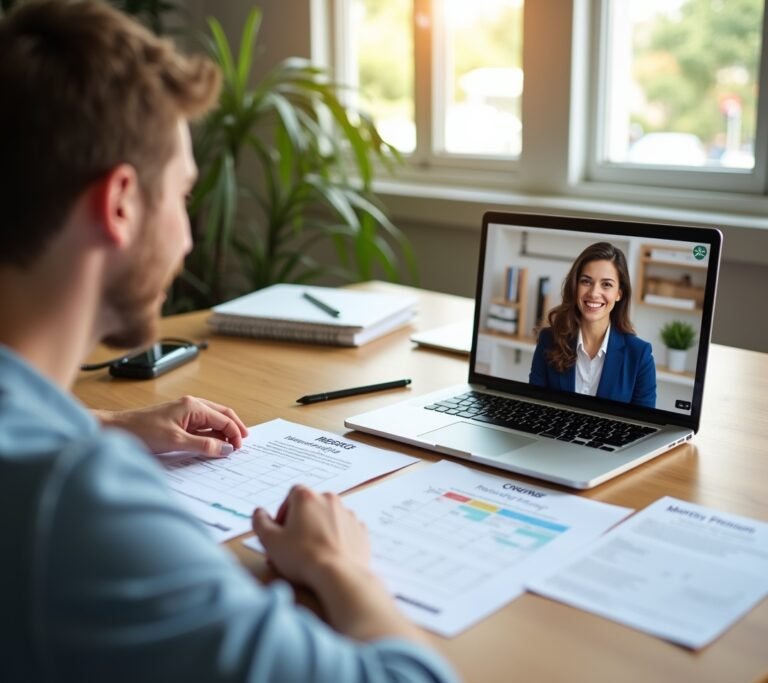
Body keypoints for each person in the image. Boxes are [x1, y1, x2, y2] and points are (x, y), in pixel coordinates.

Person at [0, 3, 457, 682]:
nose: (187, 236)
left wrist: (114, 423)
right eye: (184, 194)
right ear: (120, 203)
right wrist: (339, 566)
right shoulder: (77, 506)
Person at [529, 242, 656, 408]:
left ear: (619, 293)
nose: (594, 293)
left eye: (606, 284)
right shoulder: (549, 340)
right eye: (586, 281)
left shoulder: (639, 355)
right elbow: (533, 406)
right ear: (575, 287)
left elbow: (644, 425)